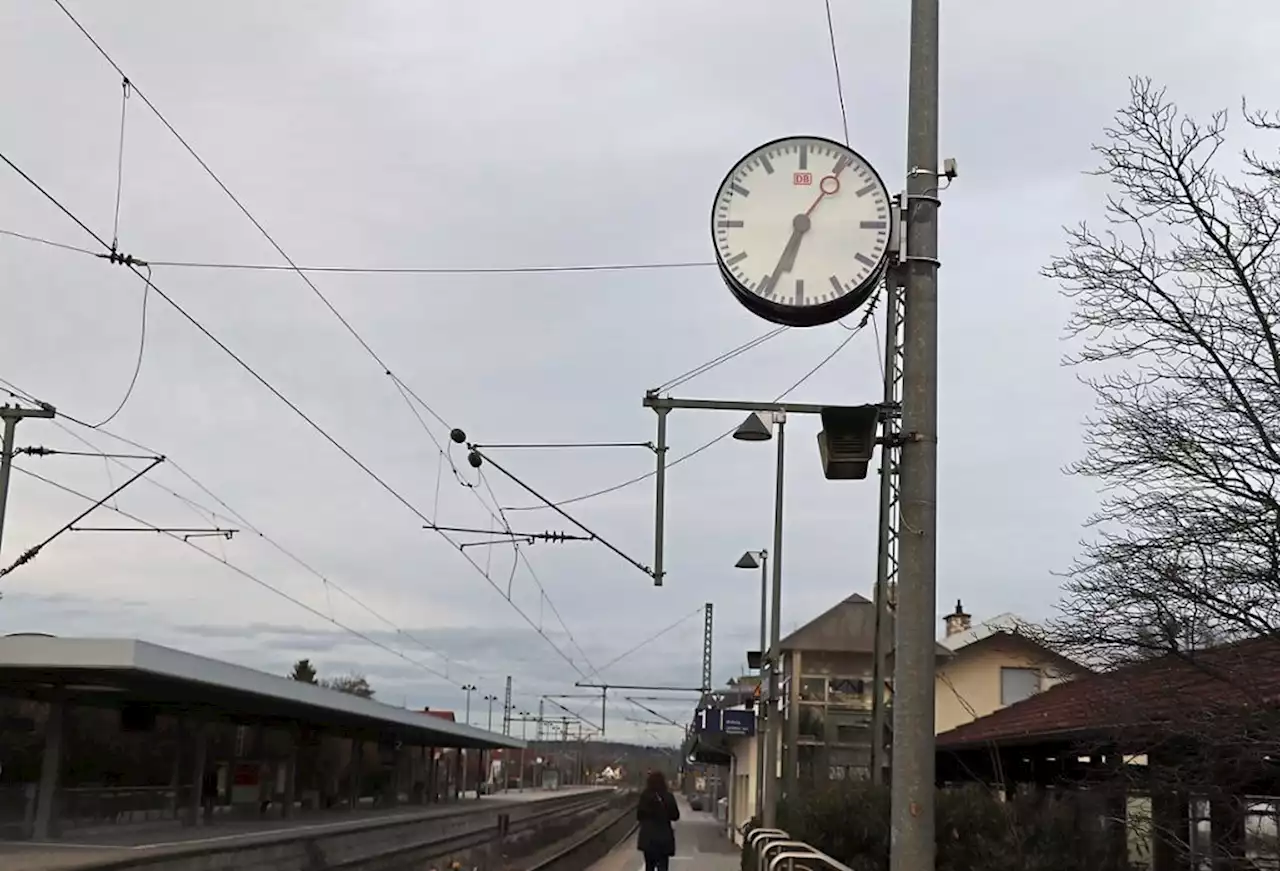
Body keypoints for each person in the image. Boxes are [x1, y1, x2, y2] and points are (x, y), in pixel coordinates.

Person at [636, 770, 680, 871]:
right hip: (664, 838)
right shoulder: (668, 796)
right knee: (663, 867)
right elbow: (676, 816)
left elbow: (639, 816)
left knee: (649, 866)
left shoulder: (645, 796)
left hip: (648, 838)